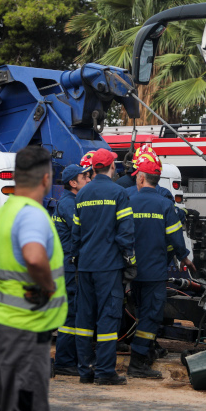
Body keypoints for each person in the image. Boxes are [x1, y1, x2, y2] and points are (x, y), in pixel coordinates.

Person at [0, 146, 68, 411]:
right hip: (25, 329)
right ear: (46, 178)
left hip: (1, 323)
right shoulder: (33, 214)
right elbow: (33, 257)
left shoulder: (5, 211)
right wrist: (48, 286)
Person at [71, 148, 135, 385]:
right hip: (108, 267)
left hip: (85, 266)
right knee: (108, 318)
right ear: (111, 167)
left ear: (93, 169)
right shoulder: (119, 193)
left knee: (84, 319)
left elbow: (76, 234)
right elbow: (126, 232)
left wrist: (77, 260)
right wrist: (130, 261)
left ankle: (85, 370)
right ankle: (105, 371)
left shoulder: (82, 194)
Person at [127, 151, 193, 378]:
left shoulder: (127, 201)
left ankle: (141, 358)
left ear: (141, 178)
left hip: (132, 272)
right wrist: (184, 256)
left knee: (140, 313)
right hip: (155, 272)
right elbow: (176, 238)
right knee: (151, 316)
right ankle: (138, 363)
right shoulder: (166, 206)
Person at [51, 163, 92, 376]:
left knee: (73, 313)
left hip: (68, 265)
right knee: (71, 314)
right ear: (73, 183)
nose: (88, 179)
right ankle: (65, 361)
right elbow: (83, 229)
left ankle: (70, 358)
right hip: (69, 267)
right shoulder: (69, 204)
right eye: (84, 177)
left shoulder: (70, 201)